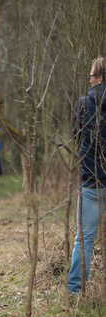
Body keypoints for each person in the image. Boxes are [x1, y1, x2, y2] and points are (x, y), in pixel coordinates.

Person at [68, 56, 106, 295]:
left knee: (85, 238)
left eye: (91, 76)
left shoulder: (83, 104)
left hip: (91, 179)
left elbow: (75, 135)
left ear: (99, 77)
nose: (89, 80)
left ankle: (75, 291)